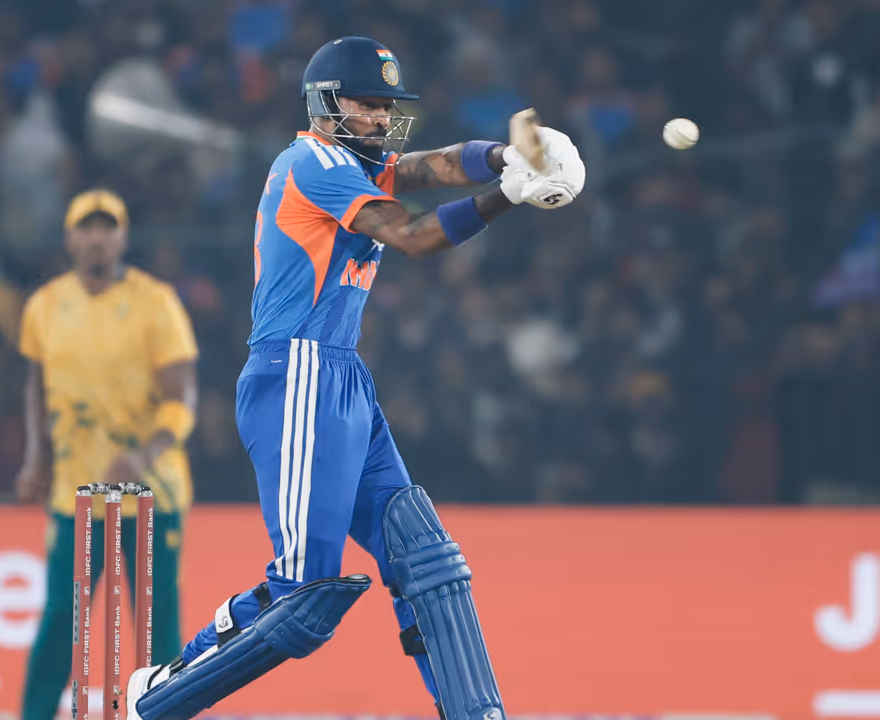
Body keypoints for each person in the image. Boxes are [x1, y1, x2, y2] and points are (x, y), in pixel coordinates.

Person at [127, 37, 584, 720]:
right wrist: (509, 194)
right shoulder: (313, 162)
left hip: (340, 377)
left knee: (424, 557)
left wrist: (505, 155)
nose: (381, 118)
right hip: (296, 374)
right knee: (302, 600)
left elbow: (434, 164)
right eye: (367, 105)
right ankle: (157, 699)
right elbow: (414, 237)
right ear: (325, 104)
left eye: (386, 106)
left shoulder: (358, 163)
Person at [16, 190, 199, 720]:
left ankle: (165, 714)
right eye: (86, 228)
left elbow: (182, 398)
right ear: (70, 238)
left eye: (107, 227)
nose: (97, 238)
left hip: (151, 493)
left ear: (122, 238)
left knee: (156, 625)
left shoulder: (156, 302)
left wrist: (140, 458)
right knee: (62, 619)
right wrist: (36, 456)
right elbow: (36, 386)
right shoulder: (44, 306)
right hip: (75, 493)